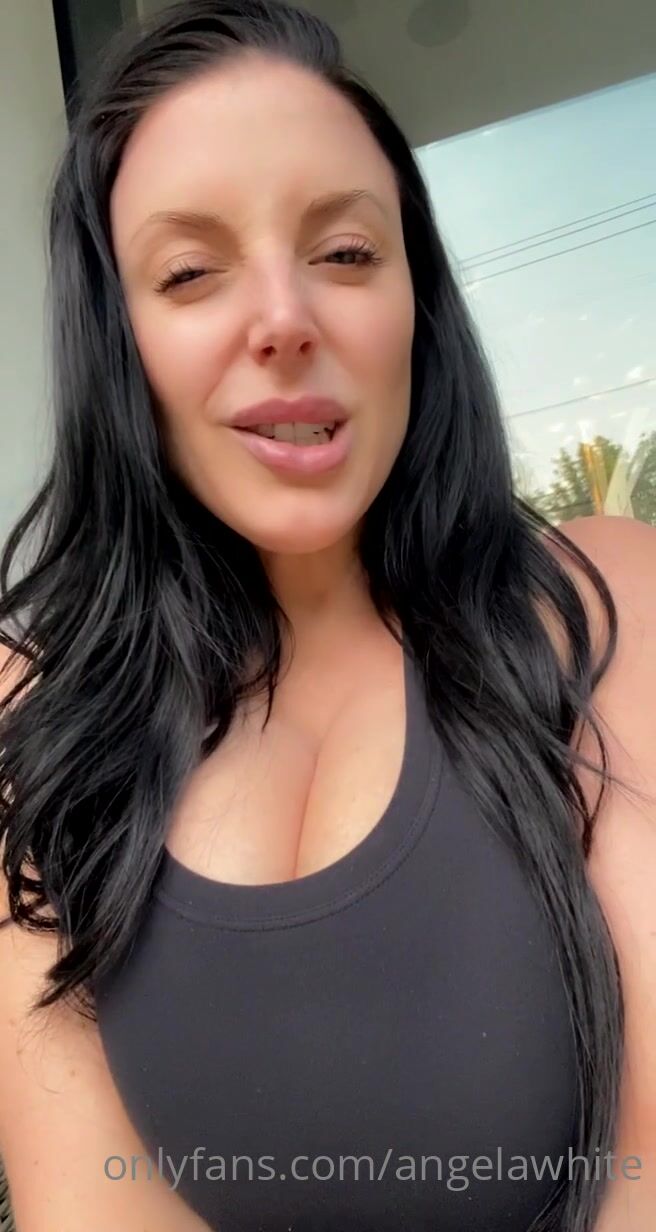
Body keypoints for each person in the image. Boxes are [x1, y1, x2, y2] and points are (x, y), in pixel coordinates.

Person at [0, 1, 654, 1229]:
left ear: (417, 302)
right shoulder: (41, 718)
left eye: (345, 253)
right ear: (118, 342)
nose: (284, 318)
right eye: (189, 272)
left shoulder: (606, 607)